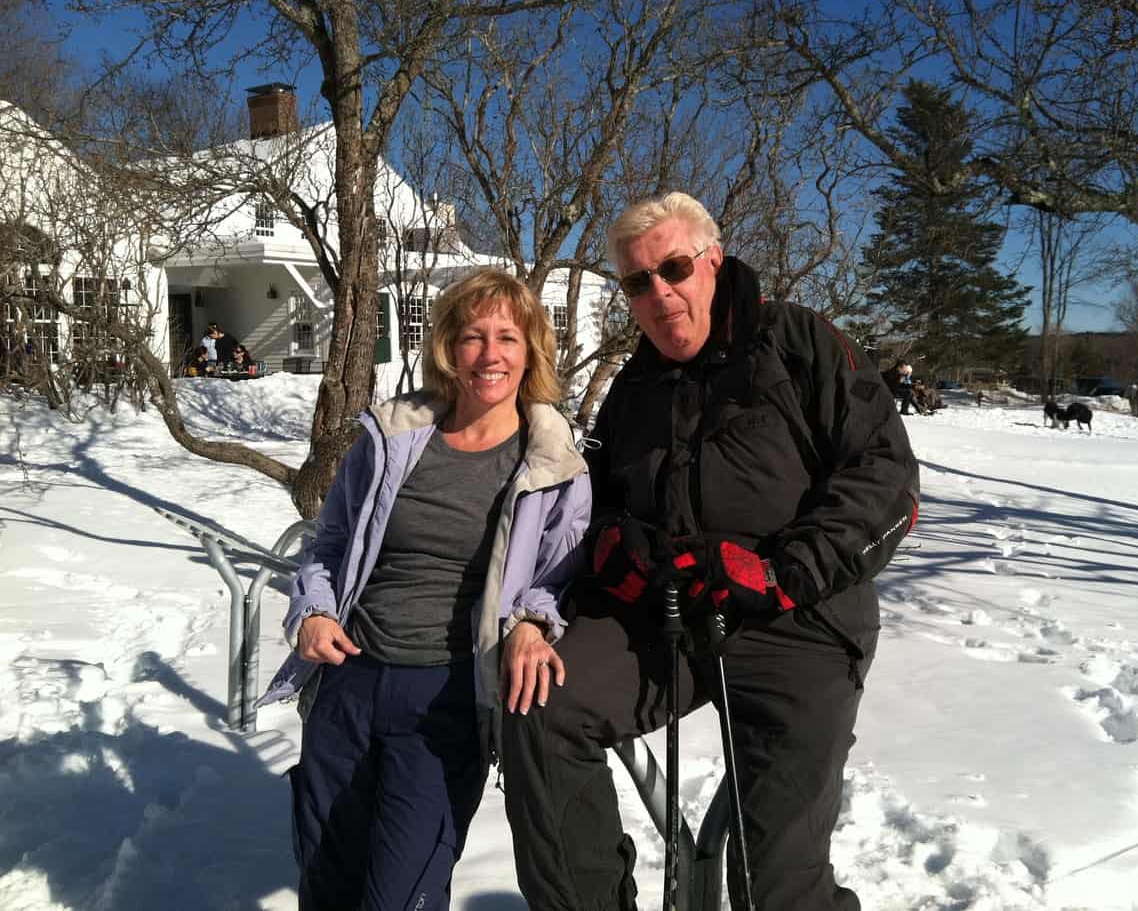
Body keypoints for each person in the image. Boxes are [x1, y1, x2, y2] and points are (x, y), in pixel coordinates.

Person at [502, 192, 919, 911]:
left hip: (799, 623)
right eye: (638, 281)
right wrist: (616, 551)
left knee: (771, 880)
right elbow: (596, 503)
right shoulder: (635, 385)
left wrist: (781, 573)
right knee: (541, 706)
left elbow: (885, 481)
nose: (659, 292)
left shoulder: (801, 343)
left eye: (673, 268)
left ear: (713, 262)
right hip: (672, 617)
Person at [258, 268, 592, 911]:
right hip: (348, 681)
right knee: (326, 878)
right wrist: (314, 612)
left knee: (403, 891)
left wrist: (530, 621)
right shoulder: (391, 439)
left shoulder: (554, 467)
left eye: (507, 338)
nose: (489, 354)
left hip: (447, 698)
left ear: (530, 353)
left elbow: (555, 577)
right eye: (472, 337)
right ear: (448, 348)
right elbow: (328, 546)